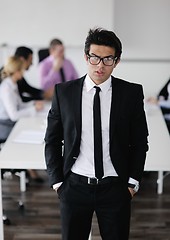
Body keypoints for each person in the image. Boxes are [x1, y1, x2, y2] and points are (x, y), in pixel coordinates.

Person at [45, 28, 149, 240]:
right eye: (95, 58)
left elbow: (140, 142)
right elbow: (52, 141)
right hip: (74, 187)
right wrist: (58, 183)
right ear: (86, 57)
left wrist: (132, 183)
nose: (100, 65)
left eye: (108, 59)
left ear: (116, 61)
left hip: (115, 188)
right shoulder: (64, 92)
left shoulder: (131, 93)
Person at [0, 56, 44, 182]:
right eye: (22, 70)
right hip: (4, 125)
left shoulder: (12, 84)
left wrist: (34, 103)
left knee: (33, 127)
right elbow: (14, 115)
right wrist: (34, 109)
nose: (23, 73)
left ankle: (31, 167)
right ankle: (29, 166)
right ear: (17, 71)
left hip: (11, 122)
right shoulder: (6, 88)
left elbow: (20, 105)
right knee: (30, 131)